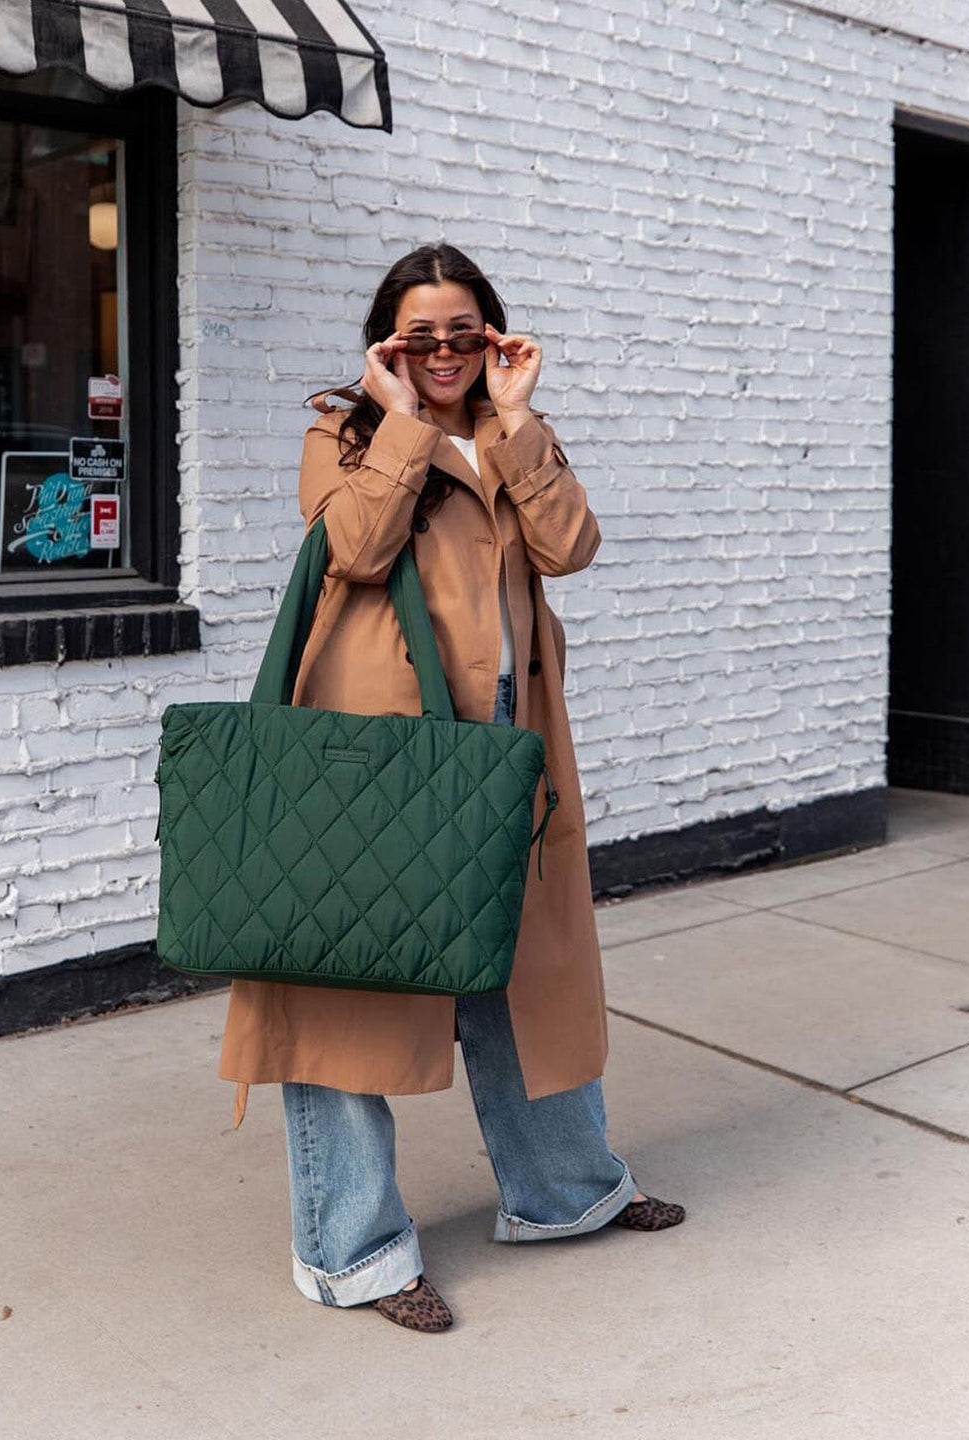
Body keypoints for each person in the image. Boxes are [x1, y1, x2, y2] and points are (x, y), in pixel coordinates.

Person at [219, 243, 685, 1333]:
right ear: (386, 343)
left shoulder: (514, 432)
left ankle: (567, 1192)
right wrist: (401, 422)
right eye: (417, 336)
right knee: (346, 980)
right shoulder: (343, 432)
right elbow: (355, 549)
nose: (441, 352)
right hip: (375, 754)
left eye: (462, 332)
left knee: (524, 971)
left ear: (493, 337)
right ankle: (356, 1253)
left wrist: (515, 420)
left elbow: (570, 547)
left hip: (508, 747)